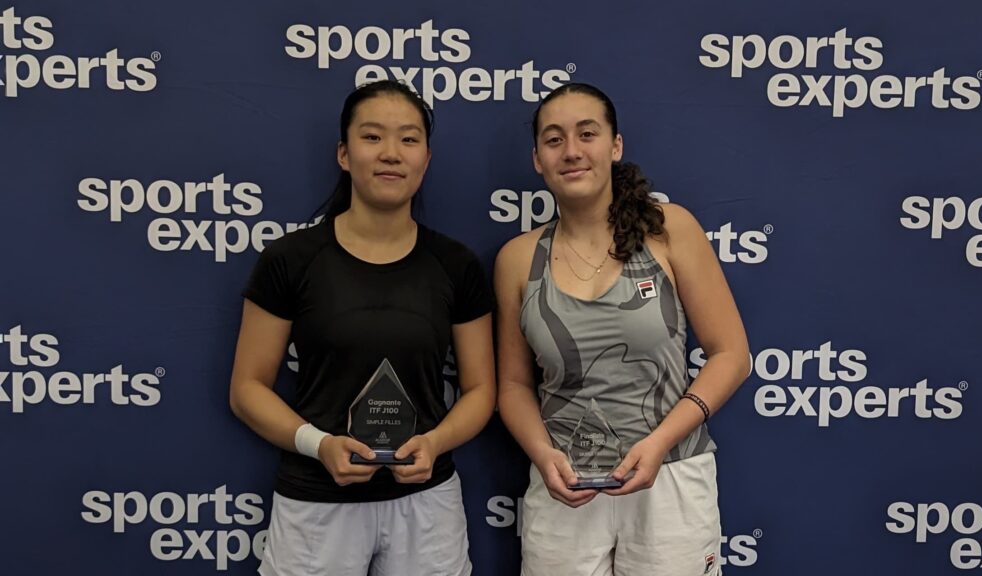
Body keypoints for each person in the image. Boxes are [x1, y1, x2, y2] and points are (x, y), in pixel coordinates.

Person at [229, 79, 495, 576]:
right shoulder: (290, 259)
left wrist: (435, 443)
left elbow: (482, 389)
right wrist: (319, 444)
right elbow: (247, 388)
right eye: (372, 137)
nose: (391, 153)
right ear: (344, 155)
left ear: (427, 158)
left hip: (426, 502)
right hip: (316, 501)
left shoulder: (455, 264)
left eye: (409, 139)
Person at [494, 83, 750, 576]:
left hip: (670, 477)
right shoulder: (517, 259)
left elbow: (732, 355)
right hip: (564, 487)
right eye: (554, 139)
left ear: (615, 146)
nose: (571, 150)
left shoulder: (670, 229)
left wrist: (659, 444)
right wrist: (543, 456)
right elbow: (512, 385)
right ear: (537, 160)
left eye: (586, 133)